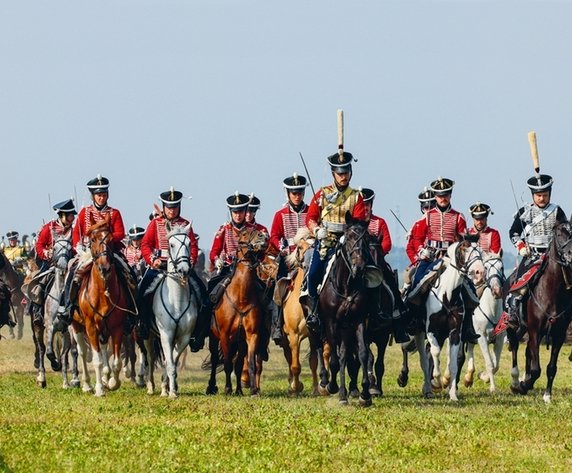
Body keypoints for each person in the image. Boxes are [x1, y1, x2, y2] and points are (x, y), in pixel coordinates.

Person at [406, 177, 480, 343]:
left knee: (468, 289)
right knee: (417, 282)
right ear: (435, 196)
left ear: (450, 195)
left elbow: (463, 241)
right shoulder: (428, 216)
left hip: (451, 259)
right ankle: (414, 319)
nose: (442, 198)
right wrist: (421, 251)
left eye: (445, 194)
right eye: (439, 195)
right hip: (431, 257)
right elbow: (417, 238)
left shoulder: (459, 217)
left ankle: (468, 326)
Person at [55, 175, 134, 329]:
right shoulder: (84, 212)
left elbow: (120, 233)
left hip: (110, 252)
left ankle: (131, 312)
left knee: (128, 274)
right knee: (72, 272)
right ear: (93, 196)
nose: (101, 198)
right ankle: (66, 307)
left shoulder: (114, 213)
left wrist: (106, 239)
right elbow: (77, 232)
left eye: (104, 195)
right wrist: (78, 245)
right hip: (87, 252)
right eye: (98, 195)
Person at [139, 187, 210, 351]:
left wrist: (190, 261)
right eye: (169, 207)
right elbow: (145, 245)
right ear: (164, 207)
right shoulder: (155, 224)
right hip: (159, 268)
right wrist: (153, 260)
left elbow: (192, 246)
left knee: (204, 298)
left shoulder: (185, 224)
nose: (172, 210)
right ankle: (143, 325)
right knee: (141, 292)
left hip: (182, 269)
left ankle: (197, 334)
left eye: (175, 206)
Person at [302, 150, 366, 331]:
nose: (343, 176)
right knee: (313, 273)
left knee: (369, 272)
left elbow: (359, 220)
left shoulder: (356, 196)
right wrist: (316, 230)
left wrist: (349, 234)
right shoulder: (322, 194)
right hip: (326, 241)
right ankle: (314, 311)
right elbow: (311, 217)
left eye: (346, 173)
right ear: (333, 174)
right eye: (340, 173)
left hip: (349, 243)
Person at [498, 174, 567, 332]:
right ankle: (513, 314)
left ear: (549, 193)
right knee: (517, 285)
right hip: (532, 256)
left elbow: (564, 233)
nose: (541, 198)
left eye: (544, 195)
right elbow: (514, 232)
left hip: (554, 257)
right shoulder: (525, 211)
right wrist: (521, 246)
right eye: (538, 195)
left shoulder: (557, 211)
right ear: (533, 195)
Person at [360, 188, 409, 343]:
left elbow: (387, 243)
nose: (365, 207)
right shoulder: (353, 223)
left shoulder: (379, 222)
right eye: (362, 204)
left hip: (376, 263)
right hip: (357, 264)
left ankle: (397, 315)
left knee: (391, 280)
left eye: (367, 204)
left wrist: (377, 252)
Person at [269, 173, 309, 343]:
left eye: (299, 192)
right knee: (278, 285)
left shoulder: (311, 212)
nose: (297, 196)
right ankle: (278, 325)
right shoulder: (280, 215)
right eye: (294, 193)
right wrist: (282, 247)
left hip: (308, 258)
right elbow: (274, 236)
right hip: (288, 260)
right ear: (288, 194)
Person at [26, 199, 76, 325]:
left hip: (71, 264)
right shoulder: (49, 227)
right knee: (40, 282)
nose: (72, 218)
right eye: (70, 215)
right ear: (62, 215)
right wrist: (46, 253)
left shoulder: (75, 230)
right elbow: (39, 245)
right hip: (51, 263)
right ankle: (37, 310)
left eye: (73, 215)